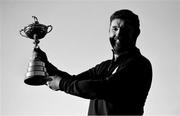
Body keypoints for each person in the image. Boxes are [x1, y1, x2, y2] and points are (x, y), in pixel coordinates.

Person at [35, 9, 152, 115]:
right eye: (114, 29)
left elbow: (102, 88)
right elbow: (75, 81)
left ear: (136, 33)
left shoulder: (140, 64)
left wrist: (61, 84)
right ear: (109, 31)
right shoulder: (105, 66)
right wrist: (45, 64)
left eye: (125, 29)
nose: (119, 34)